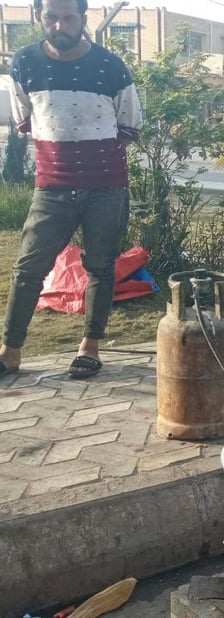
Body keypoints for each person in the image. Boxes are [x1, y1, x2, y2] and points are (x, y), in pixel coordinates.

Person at [0, 0, 142, 380]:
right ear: (38, 18)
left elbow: (130, 125)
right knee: (28, 268)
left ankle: (89, 347)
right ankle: (10, 351)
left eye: (68, 17)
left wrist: (94, 161)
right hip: (52, 186)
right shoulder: (24, 63)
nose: (59, 24)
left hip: (106, 186)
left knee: (101, 266)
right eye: (51, 17)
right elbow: (24, 119)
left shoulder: (111, 66)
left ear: (82, 19)